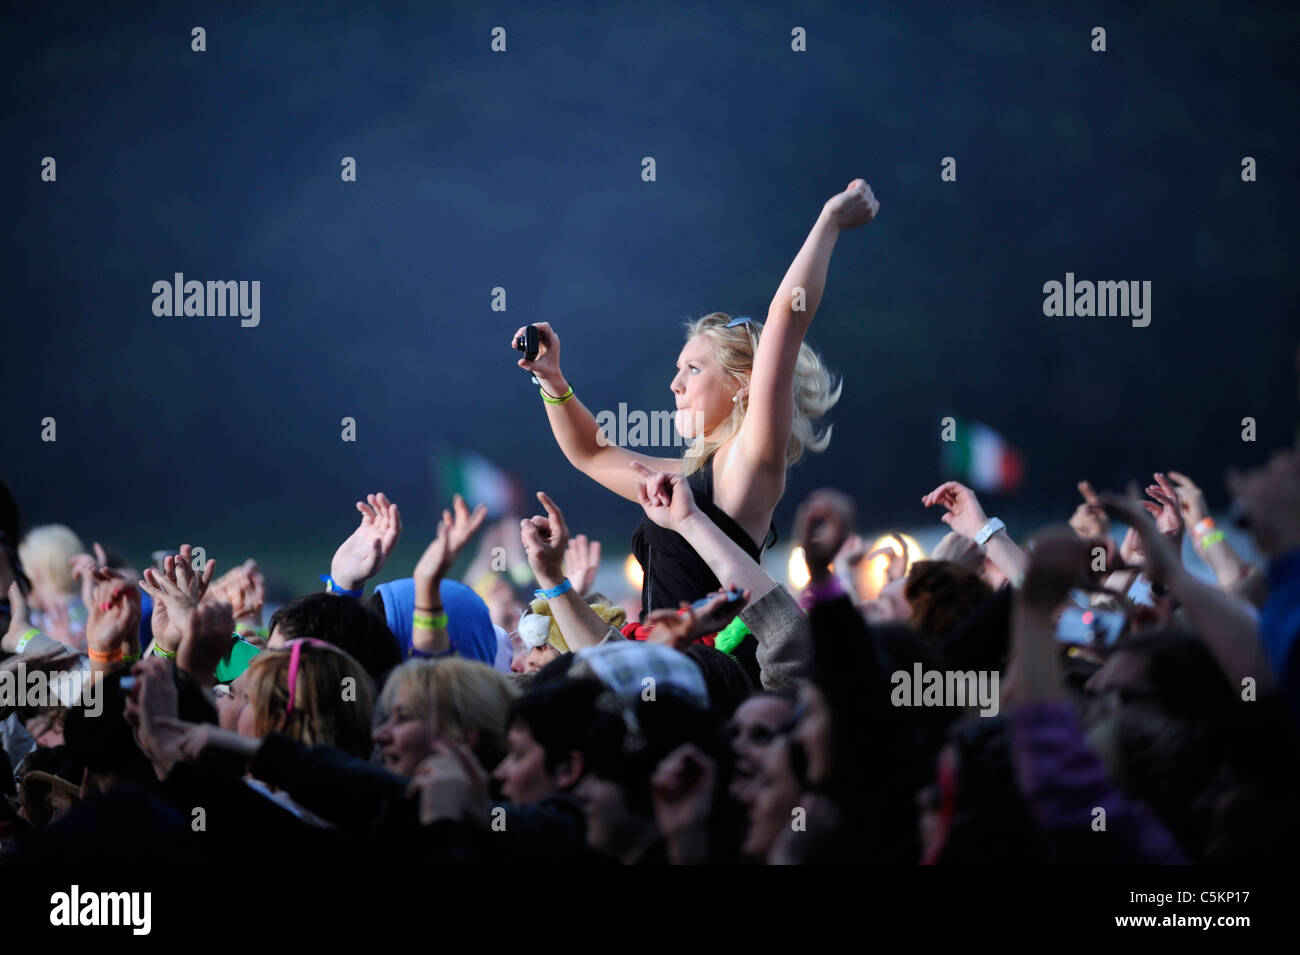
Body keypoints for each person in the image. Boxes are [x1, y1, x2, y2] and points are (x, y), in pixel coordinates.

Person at [512, 179, 879, 615]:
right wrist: (552, 380)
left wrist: (829, 220)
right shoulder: (688, 477)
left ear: (745, 382)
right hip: (668, 663)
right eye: (677, 369)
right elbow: (591, 454)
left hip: (714, 671)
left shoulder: (749, 460)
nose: (675, 384)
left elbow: (788, 317)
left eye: (693, 369)